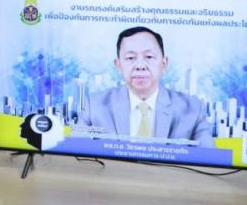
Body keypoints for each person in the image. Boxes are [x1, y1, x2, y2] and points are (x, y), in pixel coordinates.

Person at [77, 27, 213, 147]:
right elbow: (74, 153)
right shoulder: (94, 106)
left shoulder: (193, 109)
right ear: (118, 65)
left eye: (149, 56)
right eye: (130, 58)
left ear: (164, 63)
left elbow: (208, 157)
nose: (140, 66)